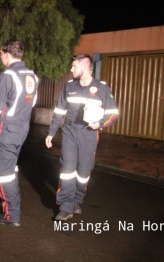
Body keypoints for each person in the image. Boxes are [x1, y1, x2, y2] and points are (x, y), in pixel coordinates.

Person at [45, 53, 119, 221]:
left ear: (84, 67)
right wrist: (51, 132)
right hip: (69, 133)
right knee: (67, 171)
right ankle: (66, 207)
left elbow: (113, 113)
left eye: (74, 66)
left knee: (84, 172)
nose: (71, 69)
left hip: (88, 134)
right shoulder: (69, 87)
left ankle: (77, 199)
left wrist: (100, 124)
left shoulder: (102, 88)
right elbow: (59, 112)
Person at [0, 40, 39, 227]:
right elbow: (31, 103)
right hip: (22, 128)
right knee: (11, 168)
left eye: (1, 54)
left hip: (7, 130)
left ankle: (12, 215)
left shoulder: (7, 76)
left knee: (4, 172)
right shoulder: (32, 75)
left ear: (8, 54)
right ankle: (13, 207)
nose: (0, 57)